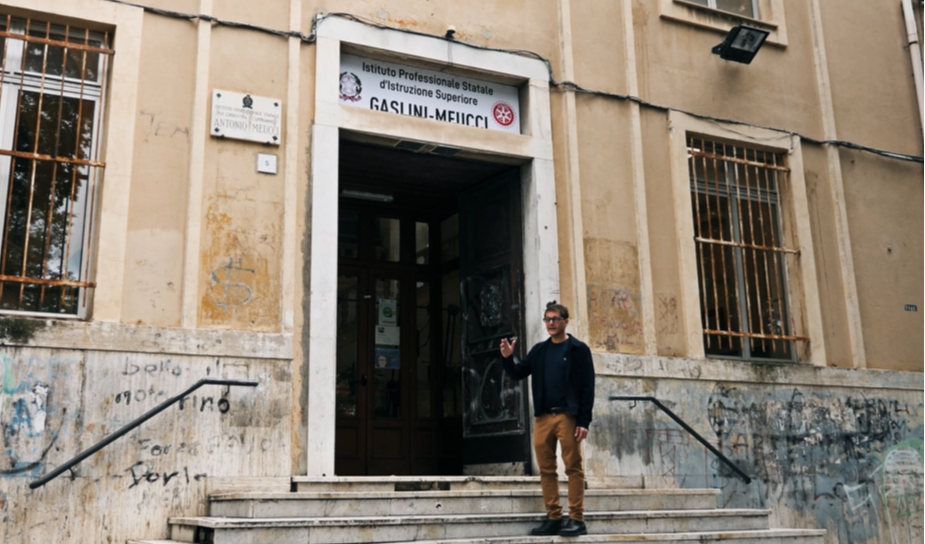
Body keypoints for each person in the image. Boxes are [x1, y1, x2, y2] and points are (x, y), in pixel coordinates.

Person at [500, 302, 595, 537]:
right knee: (546, 469)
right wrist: (507, 359)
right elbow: (518, 372)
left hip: (567, 416)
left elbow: (587, 387)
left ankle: (577, 518)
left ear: (566, 321)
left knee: (573, 467)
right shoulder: (539, 350)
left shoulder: (578, 349)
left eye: (555, 319)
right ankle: (554, 517)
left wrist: (584, 420)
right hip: (543, 417)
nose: (551, 323)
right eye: (547, 319)